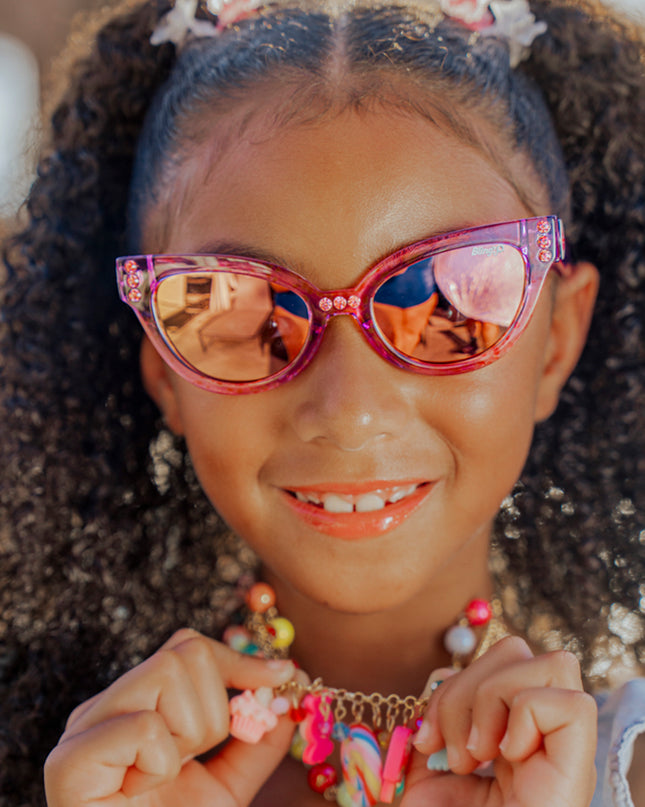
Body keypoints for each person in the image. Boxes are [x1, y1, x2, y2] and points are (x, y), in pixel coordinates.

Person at [0, 0, 643, 804]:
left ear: (555, 338)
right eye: (241, 311)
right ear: (163, 370)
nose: (349, 409)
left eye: (444, 304)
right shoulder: (73, 772)